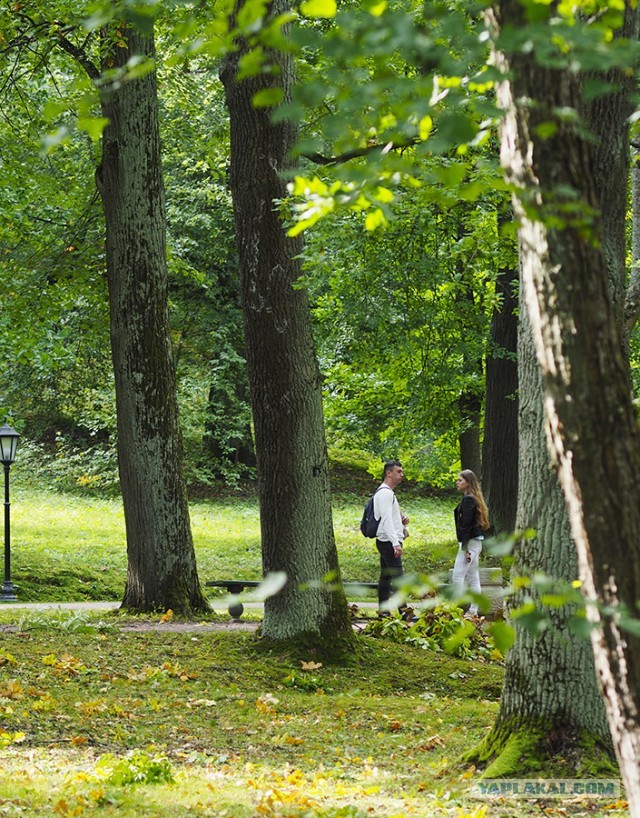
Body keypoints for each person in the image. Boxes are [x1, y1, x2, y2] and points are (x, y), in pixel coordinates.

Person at [452, 469, 489, 620]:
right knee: (473, 578)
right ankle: (473, 611)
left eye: (460, 480)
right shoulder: (473, 498)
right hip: (475, 542)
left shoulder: (468, 500)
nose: (457, 482)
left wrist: (465, 548)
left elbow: (466, 525)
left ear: (468, 483)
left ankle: (454, 610)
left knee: (457, 577)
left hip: (470, 543)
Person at [374, 459, 409, 615]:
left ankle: (383, 611)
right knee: (398, 577)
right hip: (388, 541)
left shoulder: (387, 493)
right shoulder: (385, 493)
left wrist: (402, 522)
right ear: (388, 473)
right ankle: (405, 612)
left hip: (386, 540)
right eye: (398, 471)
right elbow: (386, 520)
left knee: (386, 577)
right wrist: (396, 543)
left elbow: (389, 517)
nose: (402, 475)